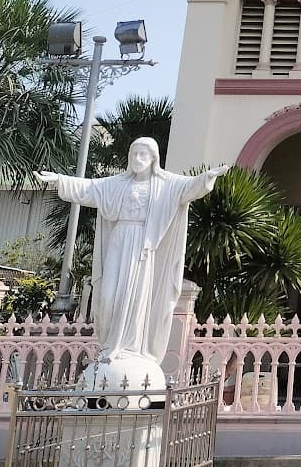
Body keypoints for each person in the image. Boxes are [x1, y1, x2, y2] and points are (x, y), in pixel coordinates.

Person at [39, 139, 228, 388]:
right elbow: (88, 188)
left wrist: (208, 177)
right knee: (108, 296)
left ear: (153, 159)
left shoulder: (164, 184)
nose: (137, 158)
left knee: (136, 295)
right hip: (119, 241)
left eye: (143, 154)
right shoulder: (117, 183)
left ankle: (131, 348)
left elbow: (188, 188)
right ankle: (110, 347)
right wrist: (60, 180)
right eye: (134, 153)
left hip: (143, 246)